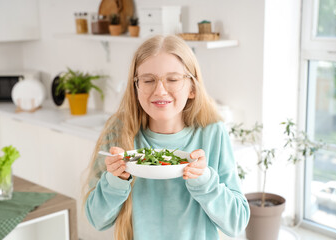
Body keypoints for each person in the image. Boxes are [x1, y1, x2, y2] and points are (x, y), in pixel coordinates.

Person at [84, 34, 250, 240]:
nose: (160, 90)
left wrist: (205, 182)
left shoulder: (212, 133)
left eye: (172, 79)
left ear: (192, 87)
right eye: (148, 80)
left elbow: (237, 223)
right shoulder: (119, 130)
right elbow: (96, 220)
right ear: (136, 87)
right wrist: (115, 181)